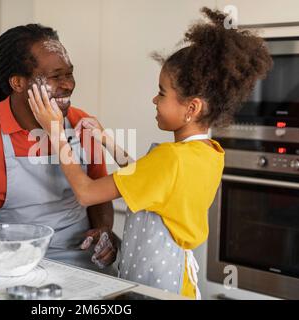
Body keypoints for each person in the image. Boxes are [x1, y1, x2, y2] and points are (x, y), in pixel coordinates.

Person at [26, 8, 273, 298]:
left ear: (191, 108)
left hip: (157, 289)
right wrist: (107, 141)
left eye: (162, 92)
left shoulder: (170, 158)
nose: (154, 99)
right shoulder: (208, 153)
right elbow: (150, 183)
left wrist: (55, 131)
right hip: (179, 282)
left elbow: (87, 193)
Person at [0, 24, 118, 274]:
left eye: (70, 74)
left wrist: (105, 230)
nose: (68, 85)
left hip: (83, 264)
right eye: (56, 76)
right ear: (18, 83)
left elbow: (101, 194)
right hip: (11, 264)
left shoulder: (83, 123)